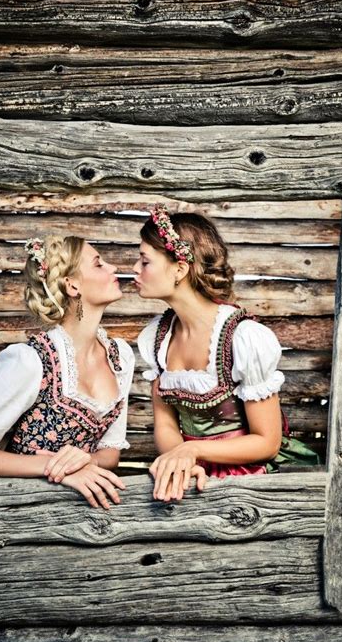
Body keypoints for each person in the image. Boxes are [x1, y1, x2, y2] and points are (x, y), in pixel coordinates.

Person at [134, 204, 317, 504]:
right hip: (192, 474)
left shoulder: (242, 338)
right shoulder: (158, 336)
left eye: (145, 261)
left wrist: (194, 450)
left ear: (180, 269)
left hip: (255, 478)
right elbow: (166, 424)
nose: (135, 270)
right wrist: (183, 459)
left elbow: (267, 442)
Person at [0, 235, 135, 510]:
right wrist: (56, 466)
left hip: (86, 514)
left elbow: (110, 453)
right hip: (20, 509)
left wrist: (83, 461)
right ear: (72, 285)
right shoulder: (30, 361)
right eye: (98, 264)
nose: (112, 268)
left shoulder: (120, 357)